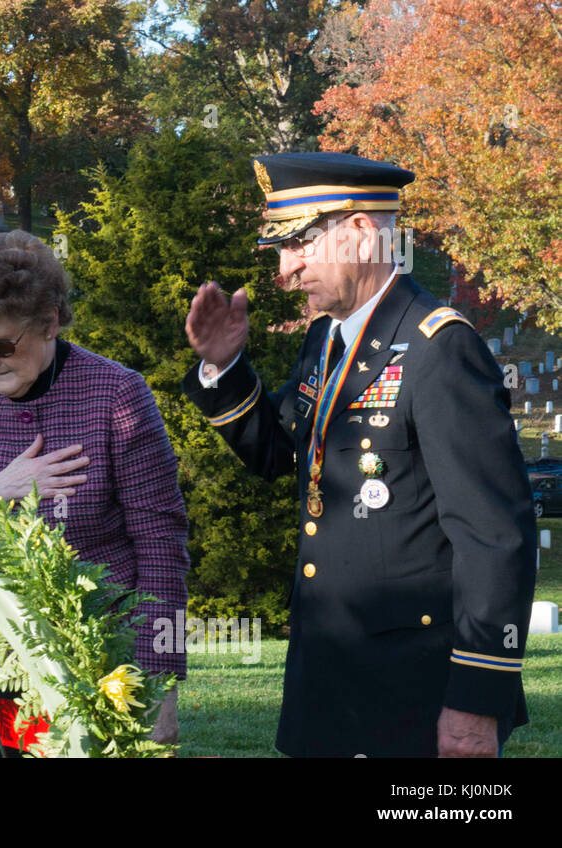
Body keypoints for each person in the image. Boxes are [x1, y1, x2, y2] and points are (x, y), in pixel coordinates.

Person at [182, 151, 535, 757]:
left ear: (362, 231)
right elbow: (281, 455)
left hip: (414, 692)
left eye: (298, 246)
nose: (285, 272)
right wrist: (223, 368)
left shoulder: (438, 346)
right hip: (328, 676)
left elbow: (494, 535)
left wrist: (477, 701)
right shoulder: (327, 338)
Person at [0, 229, 190, 744]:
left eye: (0, 344)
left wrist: (161, 684)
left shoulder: (116, 393)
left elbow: (161, 546)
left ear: (48, 323)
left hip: (105, 664)